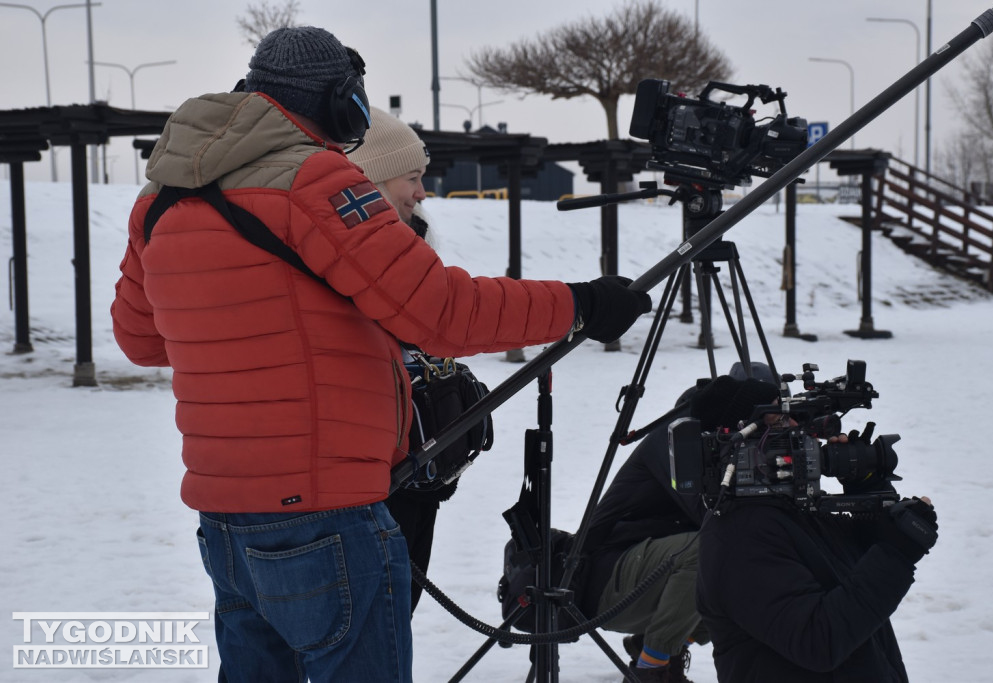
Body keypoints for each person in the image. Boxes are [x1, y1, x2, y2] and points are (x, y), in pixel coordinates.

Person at [110, 26, 651, 683]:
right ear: (342, 103)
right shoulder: (317, 180)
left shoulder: (161, 198)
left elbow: (141, 338)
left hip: (225, 520)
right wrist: (582, 302)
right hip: (325, 513)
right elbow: (443, 312)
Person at [694, 373, 940, 682]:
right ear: (740, 443)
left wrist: (866, 489)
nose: (800, 428)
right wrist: (896, 555)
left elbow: (855, 574)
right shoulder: (740, 536)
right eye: (780, 421)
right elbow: (818, 642)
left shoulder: (790, 505)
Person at [579, 363, 779, 683]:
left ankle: (655, 646)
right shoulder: (679, 436)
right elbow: (714, 517)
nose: (770, 425)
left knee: (747, 564)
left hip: (642, 572)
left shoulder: (720, 439)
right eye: (766, 416)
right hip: (604, 580)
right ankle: (651, 669)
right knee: (714, 549)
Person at [347, 106, 455, 612]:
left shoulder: (416, 240)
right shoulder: (342, 255)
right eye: (411, 178)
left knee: (398, 610)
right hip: (366, 478)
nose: (421, 192)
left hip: (418, 467)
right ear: (368, 181)